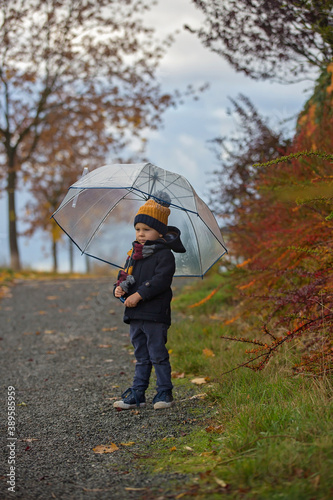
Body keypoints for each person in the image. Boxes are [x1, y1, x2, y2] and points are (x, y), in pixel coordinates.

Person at [113, 192, 186, 410]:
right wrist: (118, 289)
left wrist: (139, 294)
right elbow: (125, 277)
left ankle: (164, 392)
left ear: (159, 231)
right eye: (138, 229)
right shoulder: (133, 255)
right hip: (135, 315)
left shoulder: (164, 255)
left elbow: (160, 280)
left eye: (147, 230)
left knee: (157, 355)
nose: (141, 234)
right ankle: (138, 393)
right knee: (141, 356)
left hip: (155, 314)